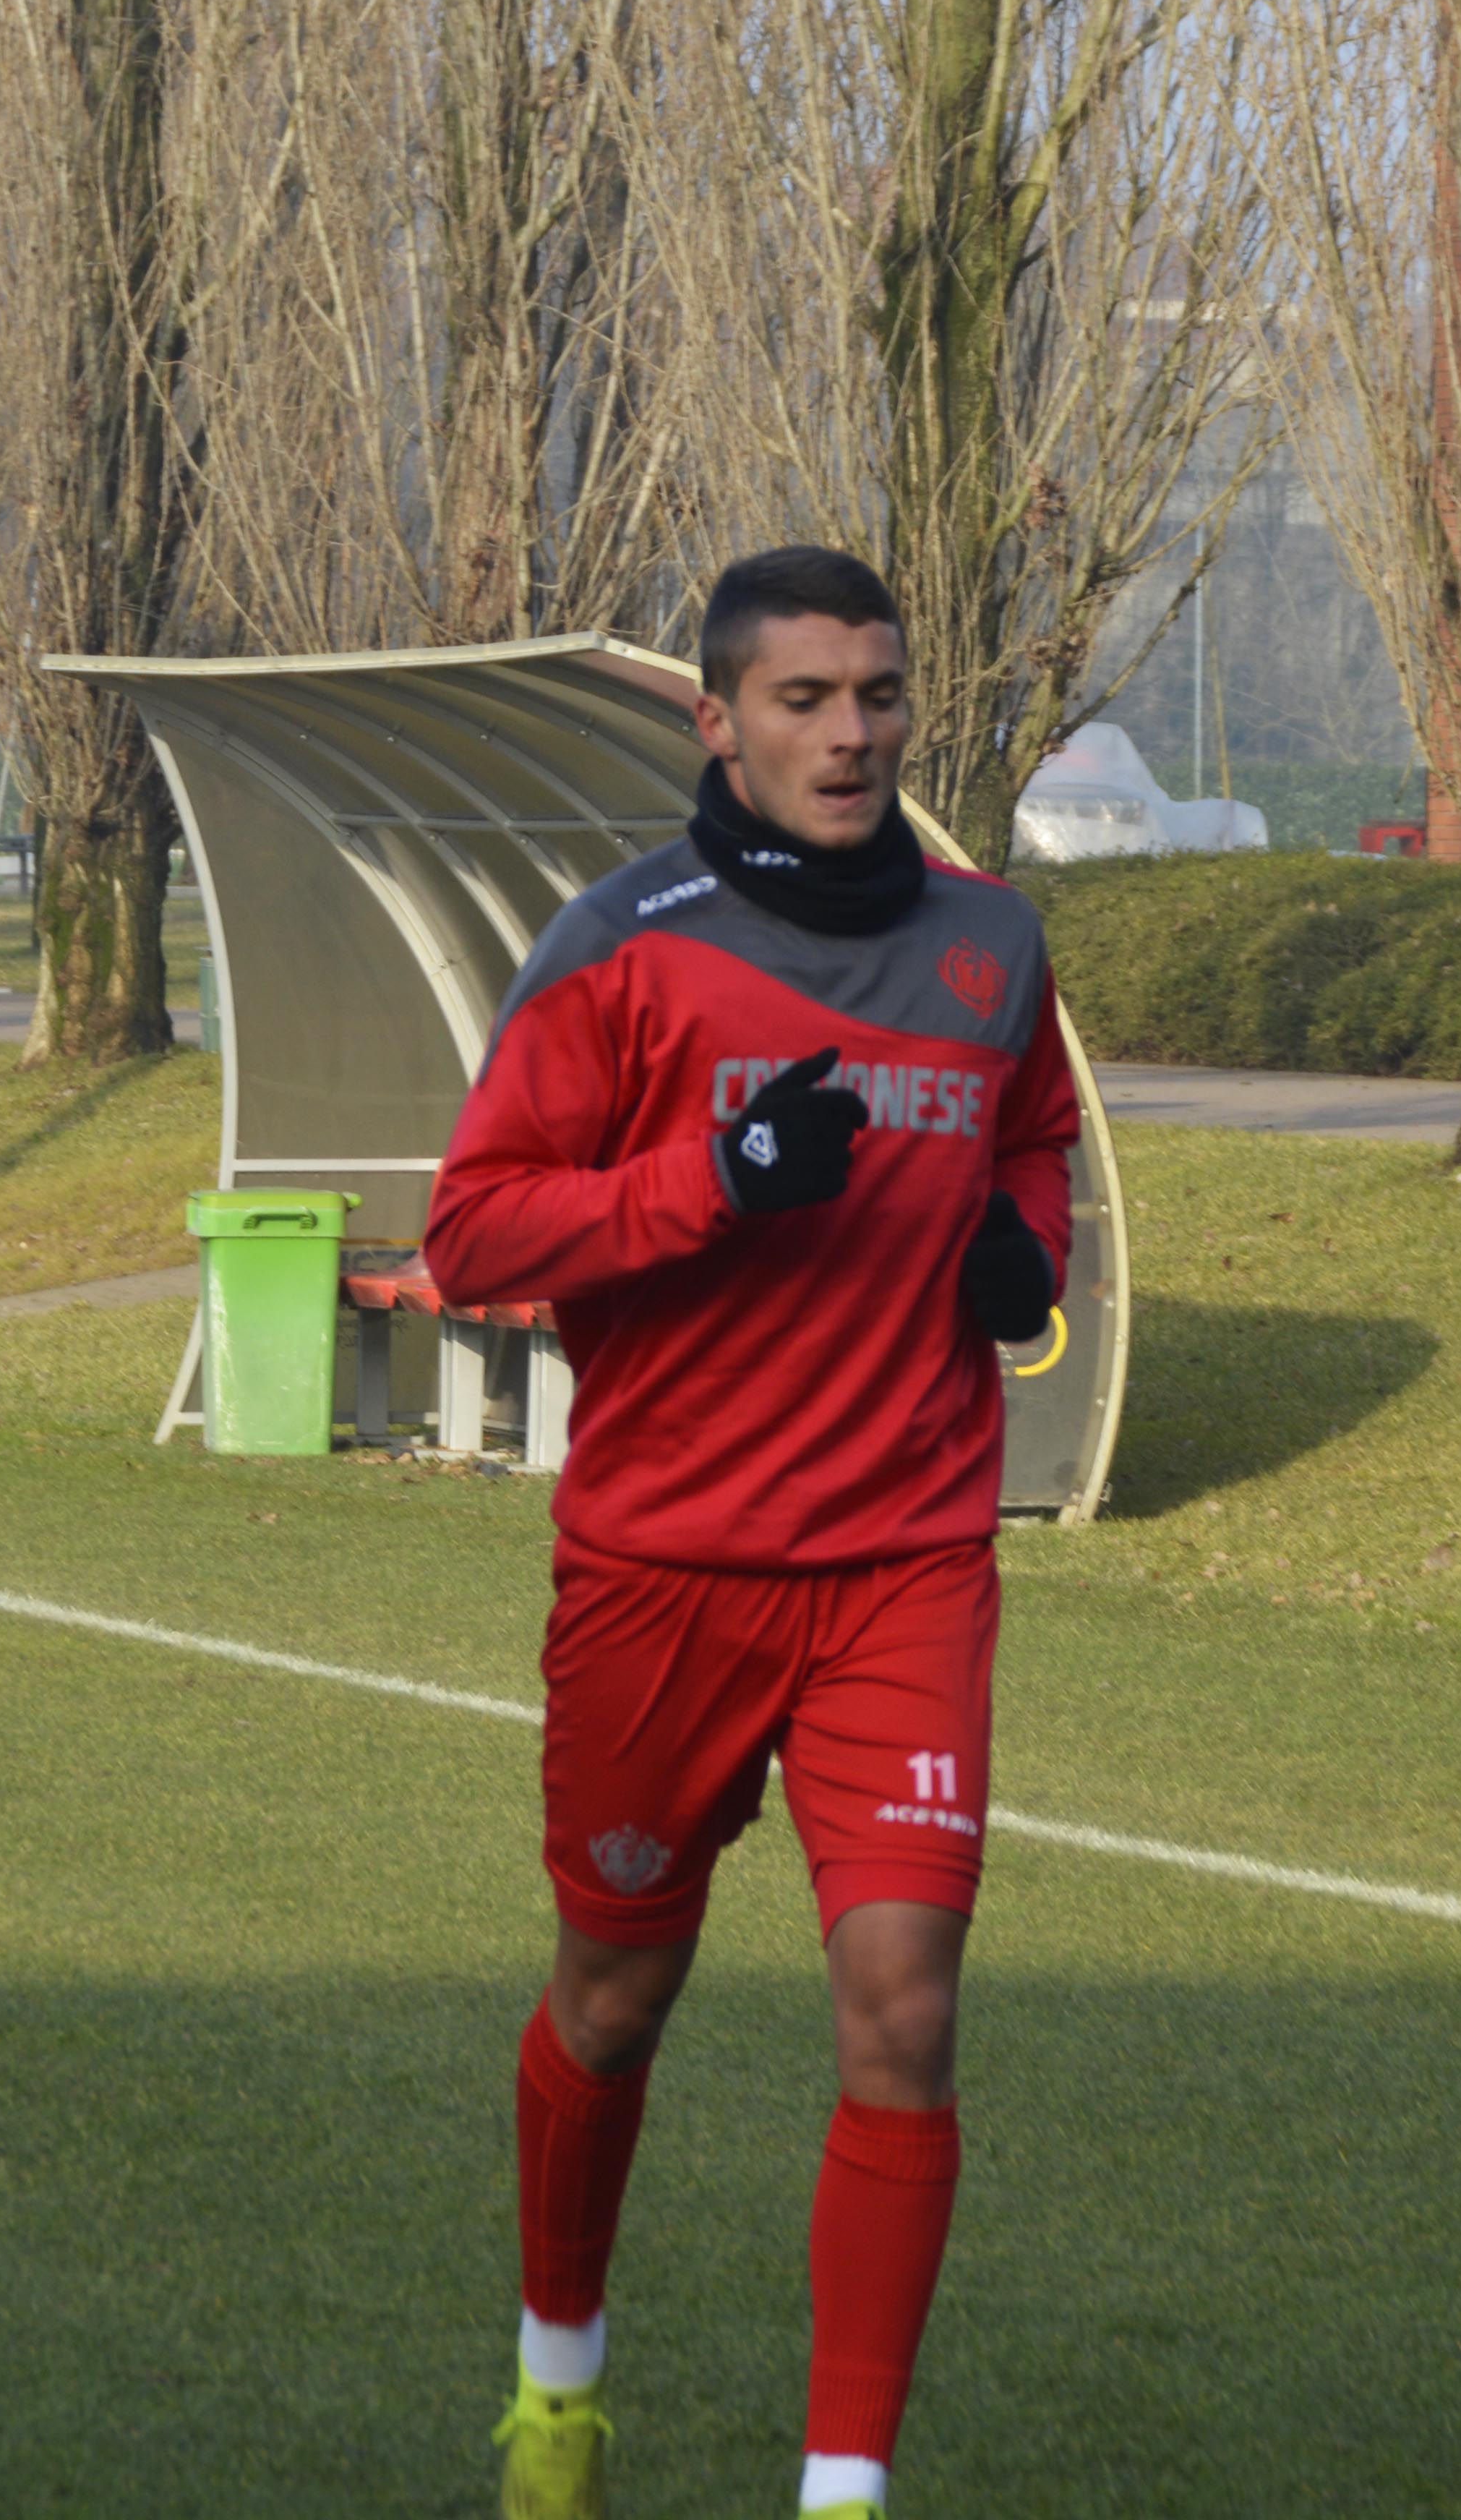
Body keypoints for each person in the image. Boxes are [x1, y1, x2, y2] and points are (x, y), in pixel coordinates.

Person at [425, 547, 1079, 2520]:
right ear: (718, 721)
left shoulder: (993, 943)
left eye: (878, 693)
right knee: (614, 1998)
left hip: (906, 1564)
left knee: (907, 2011)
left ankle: (844, 2489)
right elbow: (476, 1231)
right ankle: (558, 2382)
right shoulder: (621, 947)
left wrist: (1023, 1249)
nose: (851, 732)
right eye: (805, 699)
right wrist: (713, 1179)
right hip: (665, 1570)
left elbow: (1031, 1135)